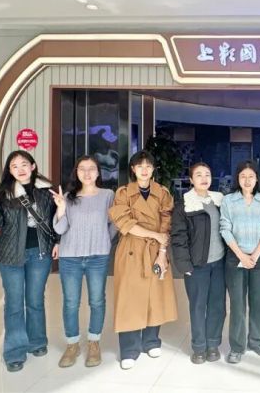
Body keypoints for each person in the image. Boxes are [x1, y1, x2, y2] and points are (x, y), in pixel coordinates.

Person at [0, 150, 57, 372]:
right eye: (14, 166)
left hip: (40, 253)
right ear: (9, 171)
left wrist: (57, 242)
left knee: (35, 301)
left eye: (24, 164)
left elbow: (55, 221)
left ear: (33, 166)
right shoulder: (4, 193)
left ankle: (37, 342)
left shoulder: (46, 191)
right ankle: (14, 352)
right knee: (14, 304)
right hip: (11, 256)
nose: (20, 169)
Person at [108, 151, 178, 370]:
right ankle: (129, 349)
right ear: (133, 169)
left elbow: (167, 223)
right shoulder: (123, 193)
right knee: (129, 298)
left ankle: (151, 341)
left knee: (155, 296)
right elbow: (125, 223)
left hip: (157, 249)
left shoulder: (162, 192)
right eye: (140, 166)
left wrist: (162, 251)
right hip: (131, 249)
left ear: (154, 169)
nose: (144, 170)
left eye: (148, 166)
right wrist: (155, 235)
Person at [52, 155, 116, 368]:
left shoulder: (108, 195)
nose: (87, 173)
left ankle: (94, 342)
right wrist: (61, 208)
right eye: (82, 169)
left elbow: (114, 223)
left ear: (98, 172)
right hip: (70, 257)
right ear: (76, 172)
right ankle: (72, 344)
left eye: (91, 169)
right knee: (71, 302)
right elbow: (60, 229)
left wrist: (104, 241)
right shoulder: (68, 197)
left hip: (98, 257)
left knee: (97, 301)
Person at [220, 160, 260, 364]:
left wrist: (255, 254)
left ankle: (257, 340)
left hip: (258, 258)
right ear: (237, 178)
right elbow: (225, 229)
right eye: (243, 176)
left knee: (259, 303)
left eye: (251, 176)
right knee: (237, 304)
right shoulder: (229, 201)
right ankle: (237, 346)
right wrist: (242, 256)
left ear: (256, 179)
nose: (247, 180)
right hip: (235, 258)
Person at [171, 162, 226, 364]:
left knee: (217, 306)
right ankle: (199, 347)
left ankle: (213, 344)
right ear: (191, 179)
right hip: (197, 266)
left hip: (219, 263)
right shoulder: (184, 205)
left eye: (207, 174)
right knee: (198, 306)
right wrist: (184, 265)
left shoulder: (219, 201)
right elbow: (178, 238)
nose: (204, 178)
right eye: (199, 175)